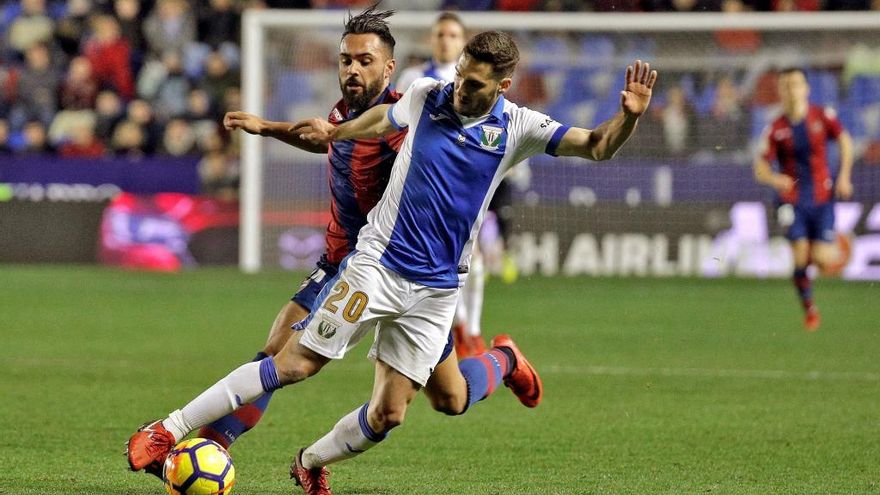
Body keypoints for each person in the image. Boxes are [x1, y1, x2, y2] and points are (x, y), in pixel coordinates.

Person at [129, 29, 656, 495]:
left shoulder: (519, 127)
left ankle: (312, 462)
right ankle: (168, 429)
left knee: (409, 409)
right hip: (376, 266)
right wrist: (338, 133)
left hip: (436, 289)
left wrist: (626, 119)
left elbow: (595, 146)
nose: (460, 90)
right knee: (292, 363)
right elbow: (384, 117)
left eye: (474, 85)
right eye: (459, 77)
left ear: (503, 86)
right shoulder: (429, 96)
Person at [395, 11, 486, 357]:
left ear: (463, 41)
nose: (445, 40)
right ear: (431, 39)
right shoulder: (413, 77)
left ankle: (470, 330)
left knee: (471, 261)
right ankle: (455, 329)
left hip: (464, 183)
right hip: (421, 185)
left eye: (452, 35)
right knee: (440, 260)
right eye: (440, 34)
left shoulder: (475, 80)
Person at [753, 67, 854, 331]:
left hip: (823, 199)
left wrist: (844, 176)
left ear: (806, 89)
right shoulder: (775, 128)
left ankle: (813, 259)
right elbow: (760, 166)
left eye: (796, 84)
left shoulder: (823, 116)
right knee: (799, 257)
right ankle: (810, 310)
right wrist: (776, 180)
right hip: (792, 202)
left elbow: (845, 142)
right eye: (786, 85)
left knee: (822, 260)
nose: (791, 89)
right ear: (781, 91)